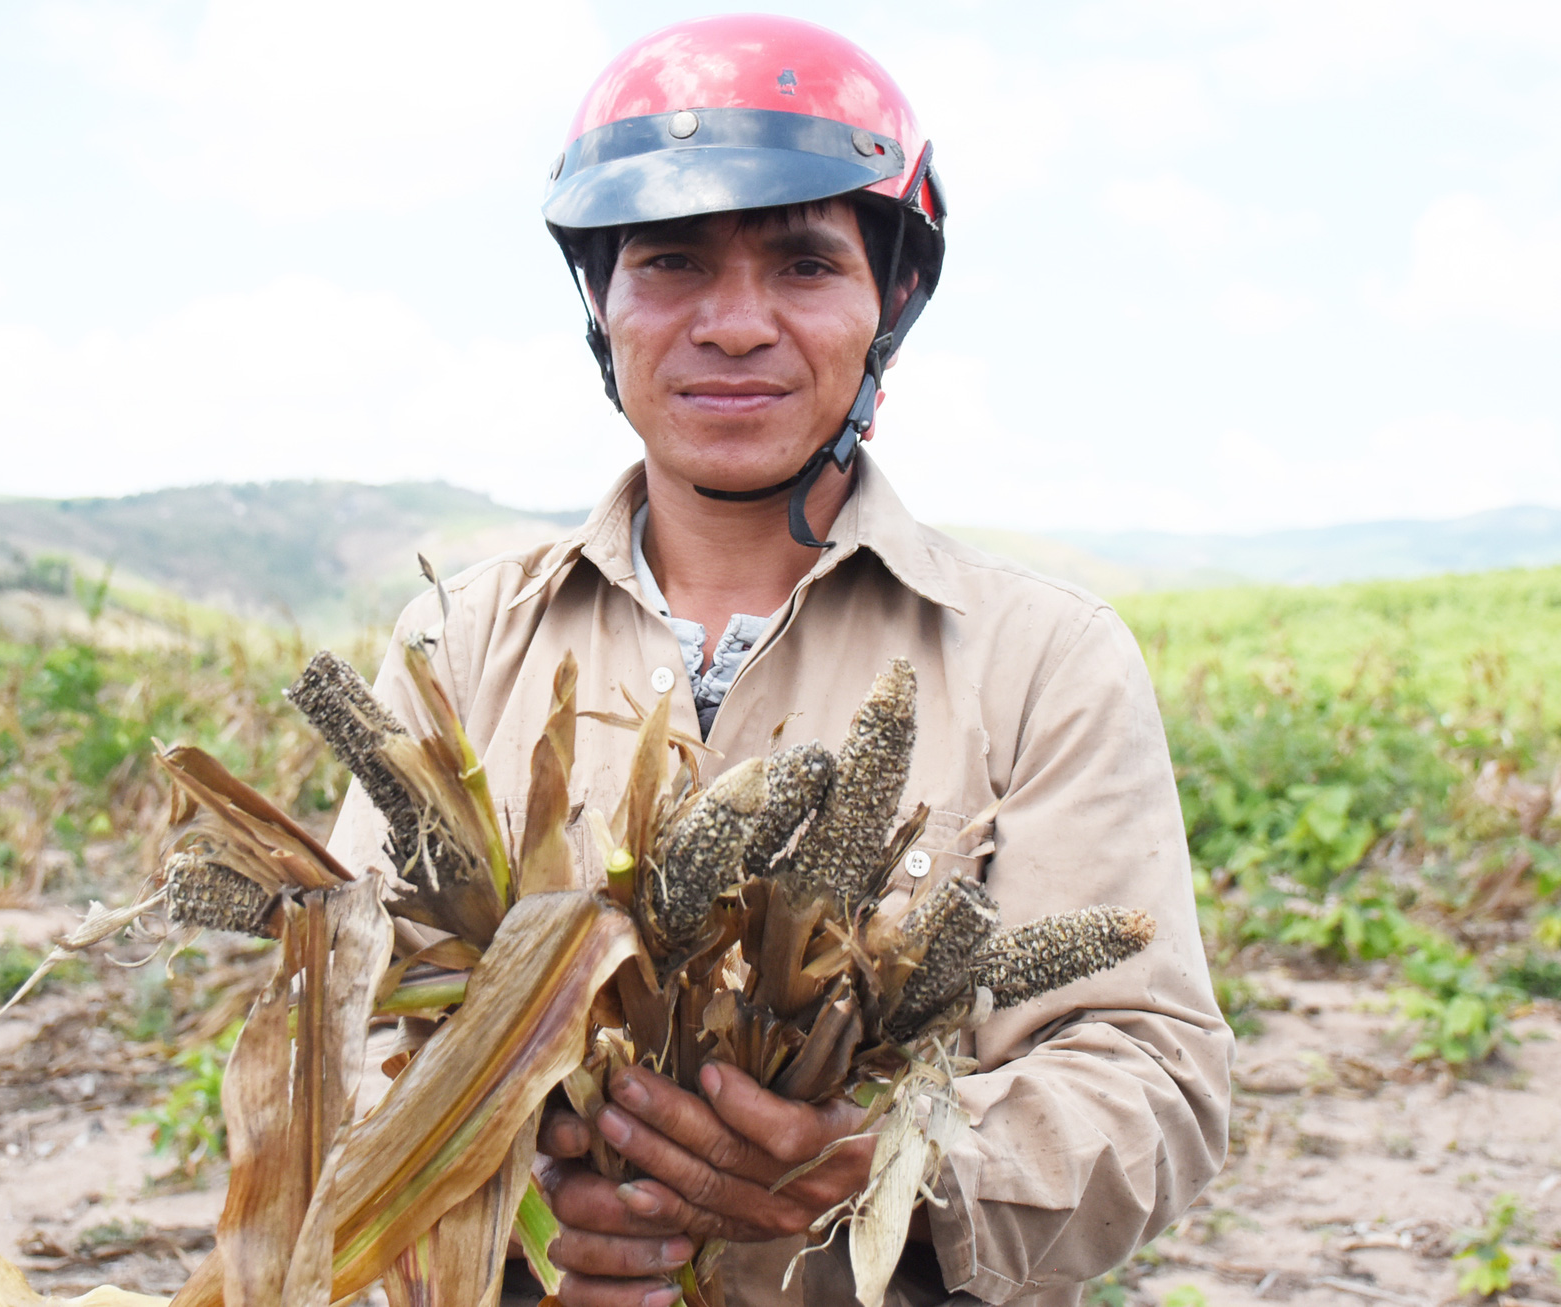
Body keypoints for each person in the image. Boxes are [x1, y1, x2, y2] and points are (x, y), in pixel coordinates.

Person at [326, 15, 1231, 1306]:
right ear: (603, 306)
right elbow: (343, 1004)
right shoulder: (458, 643)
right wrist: (520, 1175)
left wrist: (885, 1171)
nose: (735, 324)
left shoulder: (1043, 658)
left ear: (890, 302)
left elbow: (1152, 1078)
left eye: (806, 265)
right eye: (674, 263)